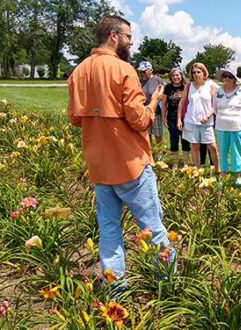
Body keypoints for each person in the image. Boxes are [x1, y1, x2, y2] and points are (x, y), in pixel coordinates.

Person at [67, 15, 174, 283]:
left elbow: (75, 118)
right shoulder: (124, 69)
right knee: (152, 227)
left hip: (99, 166)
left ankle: (115, 286)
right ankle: (167, 283)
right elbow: (139, 120)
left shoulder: (78, 71)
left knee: (109, 230)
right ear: (114, 36)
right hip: (130, 163)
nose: (131, 41)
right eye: (128, 35)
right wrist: (153, 103)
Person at [177, 62, 220, 171]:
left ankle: (218, 170)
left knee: (212, 147)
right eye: (194, 72)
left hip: (207, 122)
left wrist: (208, 115)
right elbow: (181, 103)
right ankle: (196, 171)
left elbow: (215, 105)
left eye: (198, 72)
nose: (196, 74)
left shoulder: (210, 85)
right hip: (191, 121)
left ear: (204, 72)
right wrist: (179, 120)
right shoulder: (188, 86)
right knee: (195, 147)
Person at [214, 68, 241, 185]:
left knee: (237, 151)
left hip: (237, 126)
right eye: (225, 76)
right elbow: (215, 108)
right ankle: (223, 175)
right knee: (222, 151)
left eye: (230, 77)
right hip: (221, 126)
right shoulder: (218, 91)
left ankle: (238, 176)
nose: (227, 79)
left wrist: (237, 117)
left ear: (235, 79)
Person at [161, 67, 190, 170]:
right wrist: (164, 118)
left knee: (185, 140)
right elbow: (164, 104)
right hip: (171, 118)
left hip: (186, 118)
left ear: (181, 76)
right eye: (173, 75)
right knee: (173, 140)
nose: (175, 77)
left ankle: (186, 163)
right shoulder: (168, 88)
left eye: (177, 75)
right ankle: (175, 164)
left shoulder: (186, 87)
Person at [138, 61, 165, 149]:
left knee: (158, 135)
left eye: (144, 71)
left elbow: (162, 94)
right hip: (144, 113)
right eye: (141, 72)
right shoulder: (140, 81)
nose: (142, 73)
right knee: (147, 135)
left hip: (156, 112)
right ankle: (149, 153)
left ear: (151, 70)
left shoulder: (157, 80)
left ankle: (160, 155)